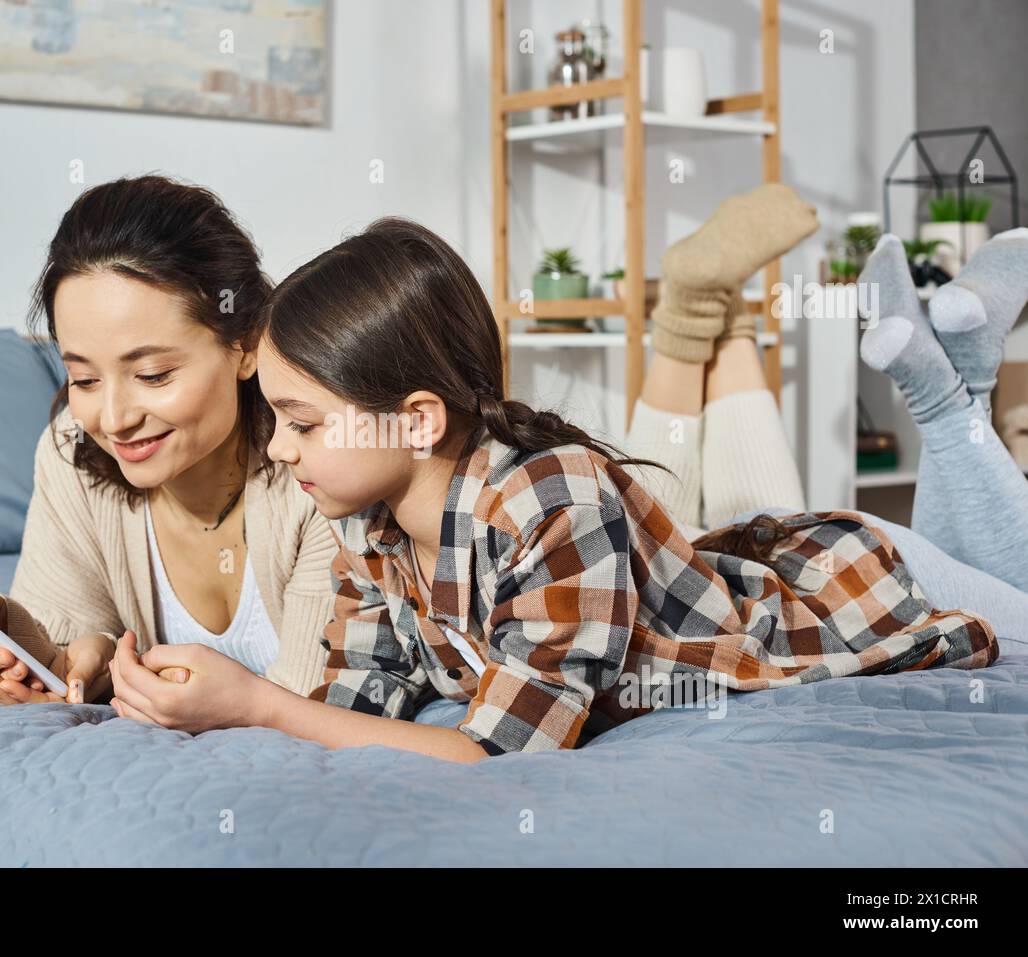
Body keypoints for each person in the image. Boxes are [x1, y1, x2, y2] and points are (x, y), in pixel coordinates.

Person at [106, 208, 1000, 762]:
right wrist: (210, 705)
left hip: (840, 593)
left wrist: (255, 701)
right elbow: (352, 710)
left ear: (415, 420)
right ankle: (961, 376)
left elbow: (493, 750)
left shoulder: (548, 501)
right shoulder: (364, 529)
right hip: (733, 558)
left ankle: (957, 395)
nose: (282, 452)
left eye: (302, 423)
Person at [0, 176, 336, 707]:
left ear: (245, 346)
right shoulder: (73, 448)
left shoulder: (320, 463)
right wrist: (40, 661)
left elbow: (322, 695)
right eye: (84, 379)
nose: (113, 419)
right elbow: (76, 638)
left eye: (152, 375)